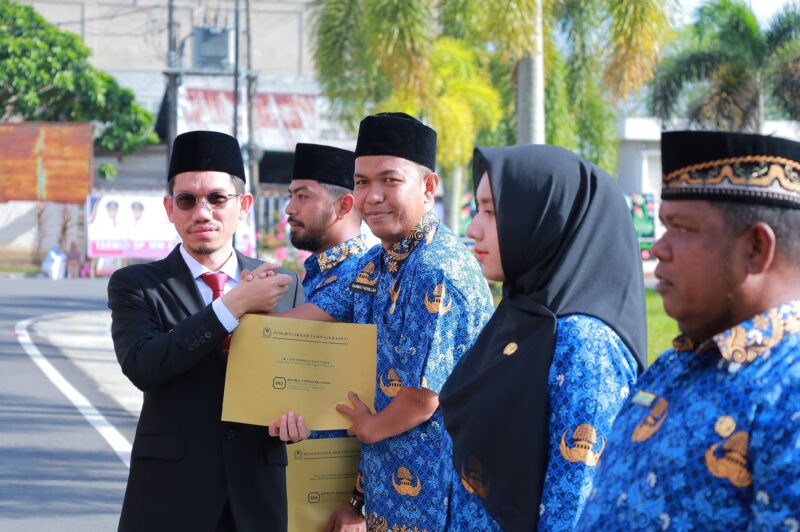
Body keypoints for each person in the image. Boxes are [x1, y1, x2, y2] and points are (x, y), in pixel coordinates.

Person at [578, 130, 800, 529]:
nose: (660, 248)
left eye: (681, 228)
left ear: (755, 250)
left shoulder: (790, 390)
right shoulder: (680, 360)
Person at [300, 113, 495, 531]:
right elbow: (308, 320)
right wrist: (248, 304)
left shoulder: (435, 269)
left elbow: (421, 398)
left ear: (428, 187)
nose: (372, 196)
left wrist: (368, 428)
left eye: (389, 180)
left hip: (440, 498)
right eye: (362, 181)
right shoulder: (377, 262)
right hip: (388, 498)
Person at [438, 145, 647, 530]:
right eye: (477, 209)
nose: (472, 228)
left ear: (544, 220)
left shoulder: (585, 345)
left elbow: (574, 506)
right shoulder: (520, 316)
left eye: (491, 211)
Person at [107, 130, 307, 531]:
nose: (203, 213)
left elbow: (299, 383)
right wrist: (231, 307)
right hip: (169, 498)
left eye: (217, 198)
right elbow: (144, 365)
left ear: (243, 205)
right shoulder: (137, 284)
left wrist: (298, 420)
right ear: (169, 208)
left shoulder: (284, 284)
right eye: (187, 200)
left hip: (256, 498)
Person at [286, 143, 369, 301]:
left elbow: (294, 325)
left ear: (343, 206)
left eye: (302, 196)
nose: (289, 209)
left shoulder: (361, 276)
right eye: (291, 196)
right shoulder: (319, 269)